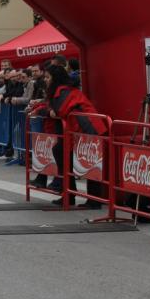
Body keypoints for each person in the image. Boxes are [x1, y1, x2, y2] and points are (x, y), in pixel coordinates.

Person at [43, 64, 108, 208]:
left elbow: (58, 111)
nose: (45, 80)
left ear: (56, 78)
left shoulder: (64, 91)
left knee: (90, 162)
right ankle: (69, 193)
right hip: (80, 130)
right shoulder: (62, 91)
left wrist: (47, 111)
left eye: (48, 77)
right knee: (61, 152)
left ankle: (92, 199)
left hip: (89, 128)